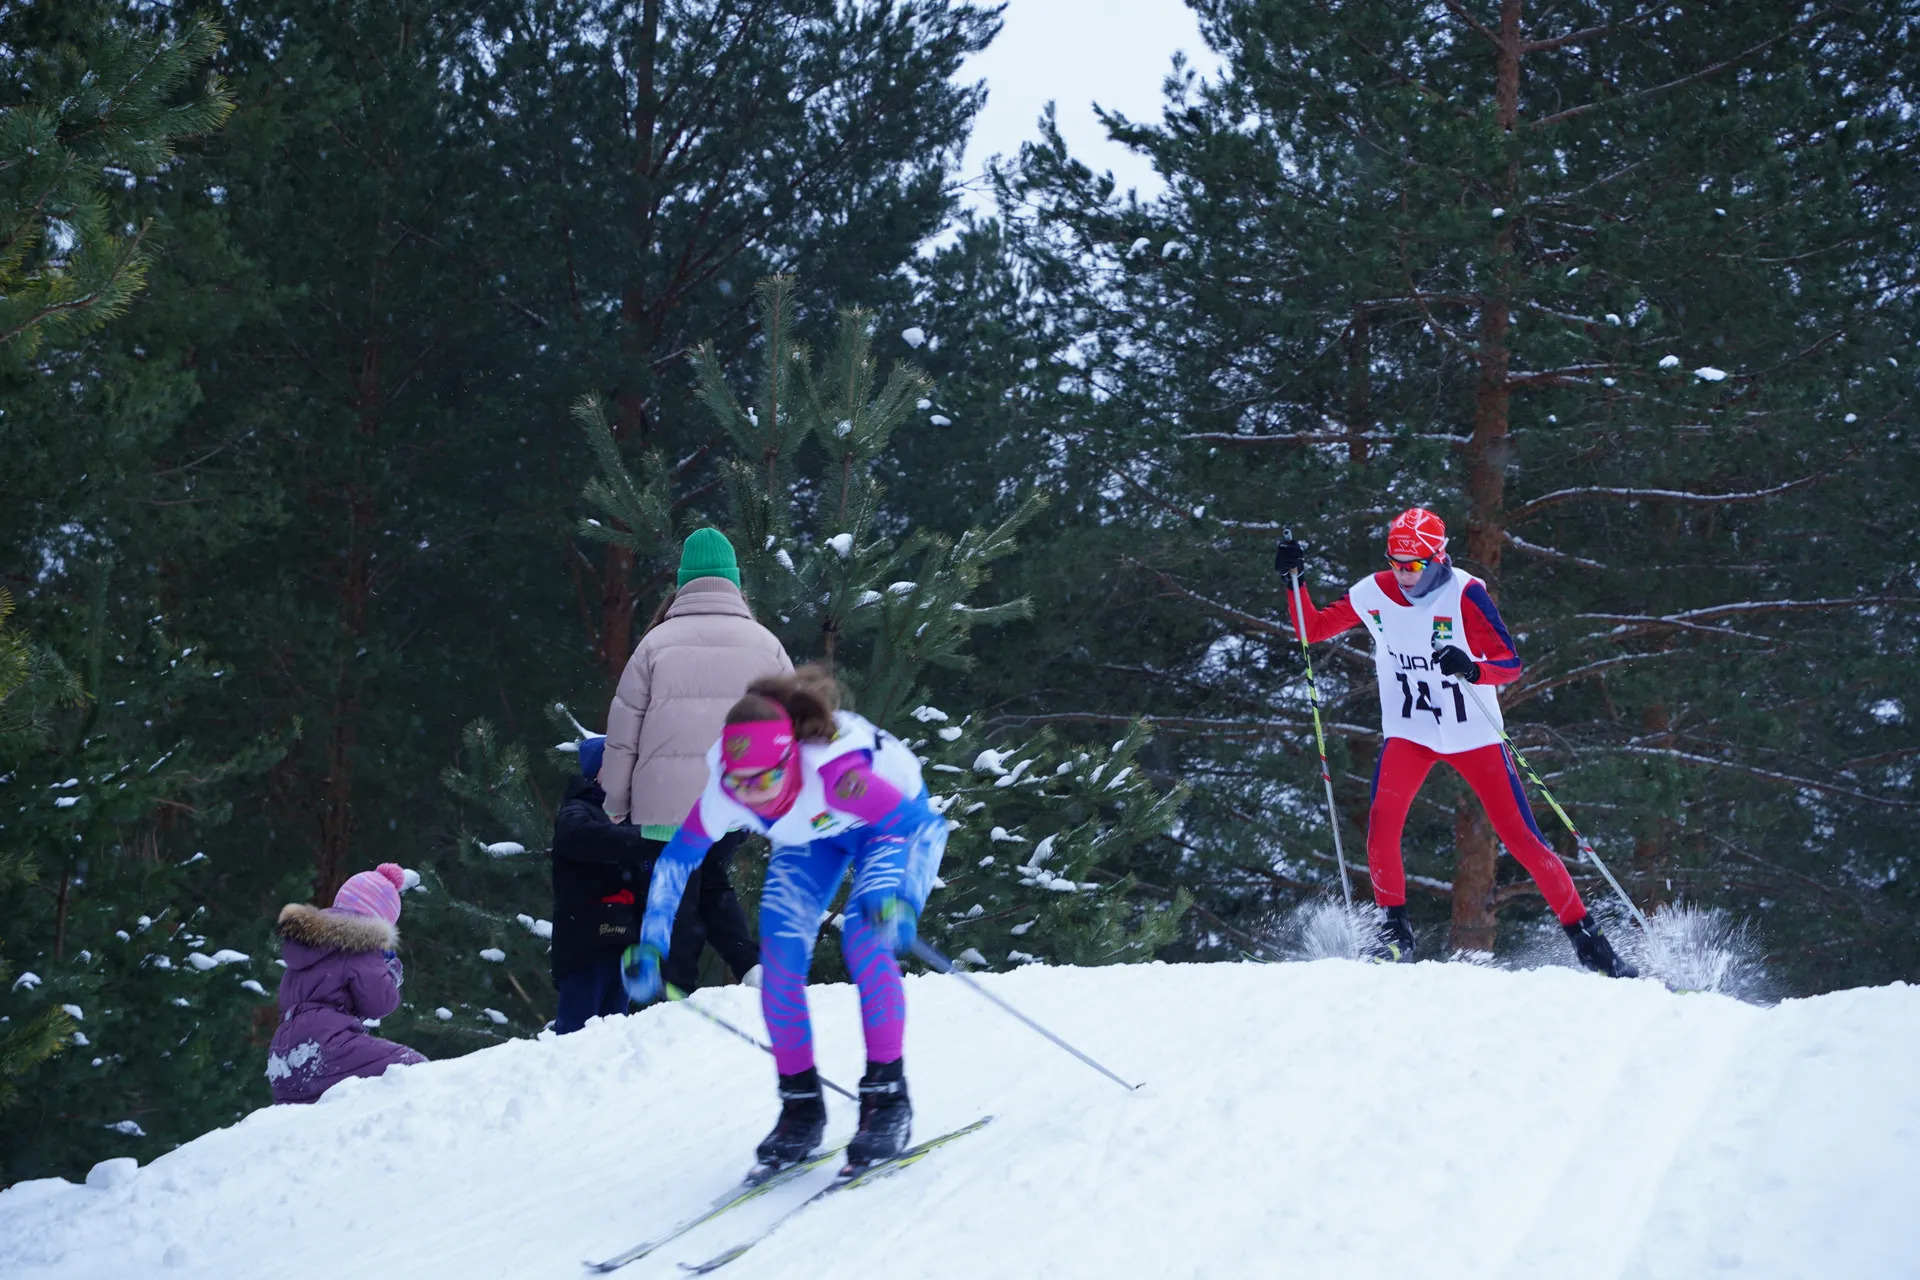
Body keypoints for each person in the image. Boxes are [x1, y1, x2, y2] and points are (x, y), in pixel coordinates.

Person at [1274, 508, 1637, 978]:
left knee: (1523, 839)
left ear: (1438, 557)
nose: (1403, 574)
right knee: (1382, 826)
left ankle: (1591, 945)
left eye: (1413, 565)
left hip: (1473, 735)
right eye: (1395, 563)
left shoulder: (1465, 593)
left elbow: (1509, 663)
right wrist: (1295, 581)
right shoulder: (1373, 592)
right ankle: (1394, 936)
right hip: (1411, 732)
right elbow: (1312, 629)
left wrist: (1472, 668)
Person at [620, 666, 947, 1174]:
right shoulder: (726, 792)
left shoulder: (837, 775)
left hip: (880, 828)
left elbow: (924, 826)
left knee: (865, 941)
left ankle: (887, 1100)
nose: (753, 793)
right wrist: (651, 944)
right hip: (808, 838)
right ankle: (801, 1109)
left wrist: (904, 900)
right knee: (780, 965)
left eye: (767, 778)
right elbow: (676, 862)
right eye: (740, 781)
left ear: (790, 757)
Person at [599, 526, 791, 988]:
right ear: (734, 581)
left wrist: (614, 802)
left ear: (683, 582)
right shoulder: (765, 644)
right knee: (711, 879)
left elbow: (624, 733)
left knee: (672, 893)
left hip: (664, 802)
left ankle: (675, 994)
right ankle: (751, 967)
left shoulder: (655, 644)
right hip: (734, 798)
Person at [549, 735, 763, 1034]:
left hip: (622, 943)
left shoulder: (634, 816)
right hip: (586, 943)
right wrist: (646, 842)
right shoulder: (580, 807)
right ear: (596, 772)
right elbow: (578, 837)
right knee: (577, 1027)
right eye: (616, 766)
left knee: (609, 1030)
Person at [267, 864, 427, 1103]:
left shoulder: (307, 942)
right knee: (415, 1069)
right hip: (326, 1045)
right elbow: (379, 1003)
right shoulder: (360, 942)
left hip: (283, 1058)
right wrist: (390, 973)